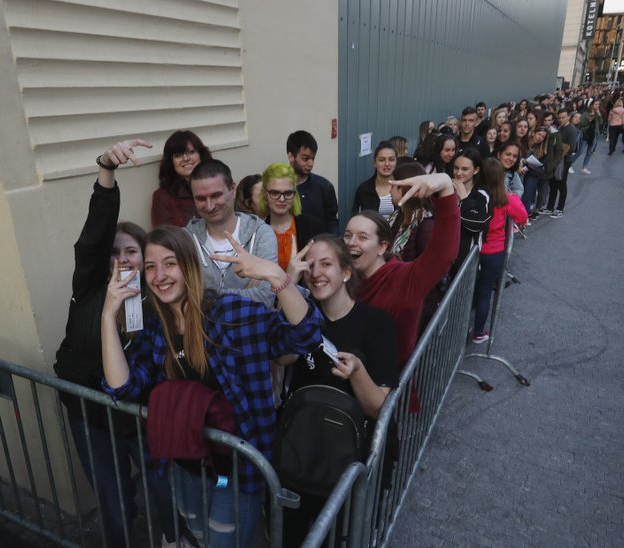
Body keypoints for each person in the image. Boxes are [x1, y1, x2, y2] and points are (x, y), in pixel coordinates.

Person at [101, 226, 323, 548]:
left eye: (170, 263)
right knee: (202, 538)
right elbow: (122, 387)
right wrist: (108, 316)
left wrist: (276, 276)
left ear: (190, 265)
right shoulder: (156, 330)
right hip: (186, 466)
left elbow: (306, 337)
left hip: (235, 473)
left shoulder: (230, 313)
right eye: (151, 267)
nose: (160, 275)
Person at [54, 139, 180, 546]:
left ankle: (171, 539)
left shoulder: (154, 300)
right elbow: (91, 238)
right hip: (93, 420)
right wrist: (106, 171)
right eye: (114, 253)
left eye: (131, 252)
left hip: (142, 420)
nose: (122, 260)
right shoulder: (88, 289)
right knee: (114, 502)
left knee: (163, 493)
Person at [280, 235, 399, 548]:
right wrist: (288, 283)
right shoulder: (301, 319)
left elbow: (380, 408)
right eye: (310, 266)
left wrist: (358, 372)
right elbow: (282, 357)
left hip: (350, 463)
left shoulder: (377, 324)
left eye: (327, 264)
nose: (316, 272)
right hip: (302, 455)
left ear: (346, 272)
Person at [344, 172, 459, 384]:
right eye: (347, 235)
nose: (351, 242)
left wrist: (444, 187)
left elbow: (444, 255)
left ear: (382, 246)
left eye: (362, 237)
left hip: (386, 388)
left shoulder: (403, 279)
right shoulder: (346, 278)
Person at [184, 160, 279, 307]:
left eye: (216, 195)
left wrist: (206, 295)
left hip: (254, 327)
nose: (209, 206)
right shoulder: (186, 238)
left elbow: (266, 297)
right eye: (201, 198)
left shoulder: (261, 233)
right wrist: (247, 291)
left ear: (233, 189)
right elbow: (184, 298)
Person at [470, 158, 527, 343]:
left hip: (472, 249)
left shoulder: (472, 195)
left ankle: (463, 323)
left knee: (470, 288)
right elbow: (523, 216)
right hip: (494, 251)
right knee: (485, 291)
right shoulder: (505, 199)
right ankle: (478, 332)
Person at [257, 162, 325, 272]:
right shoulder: (258, 234)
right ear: (265, 195)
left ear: (295, 194)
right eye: (275, 193)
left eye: (288, 193)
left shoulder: (314, 226)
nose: (282, 199)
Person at [151, 130, 213, 228]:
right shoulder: (162, 197)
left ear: (201, 155)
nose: (186, 158)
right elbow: (166, 238)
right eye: (178, 155)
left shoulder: (216, 184)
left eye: (191, 152)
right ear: (171, 162)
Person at [287, 130, 339, 234]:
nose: (311, 163)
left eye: (313, 158)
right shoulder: (280, 189)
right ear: (291, 157)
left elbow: (332, 223)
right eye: (305, 158)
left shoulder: (325, 187)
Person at [452, 149, 493, 271]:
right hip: (445, 254)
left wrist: (464, 198)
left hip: (465, 259)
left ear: (476, 170)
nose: (458, 173)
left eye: (464, 169)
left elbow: (477, 223)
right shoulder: (447, 189)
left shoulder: (482, 194)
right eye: (456, 168)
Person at [352, 141, 398, 217]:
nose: (387, 164)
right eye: (382, 160)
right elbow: (356, 217)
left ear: (396, 162)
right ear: (374, 163)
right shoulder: (364, 189)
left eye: (391, 160)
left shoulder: (402, 188)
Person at [579, 100, 603, 174]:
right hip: (587, 134)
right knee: (580, 151)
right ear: (591, 105)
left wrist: (599, 115)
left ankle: (584, 167)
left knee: (589, 152)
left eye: (598, 104)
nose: (597, 106)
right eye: (595, 104)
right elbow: (581, 124)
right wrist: (588, 122)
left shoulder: (597, 113)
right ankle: (569, 165)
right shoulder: (586, 113)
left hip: (594, 134)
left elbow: (601, 123)